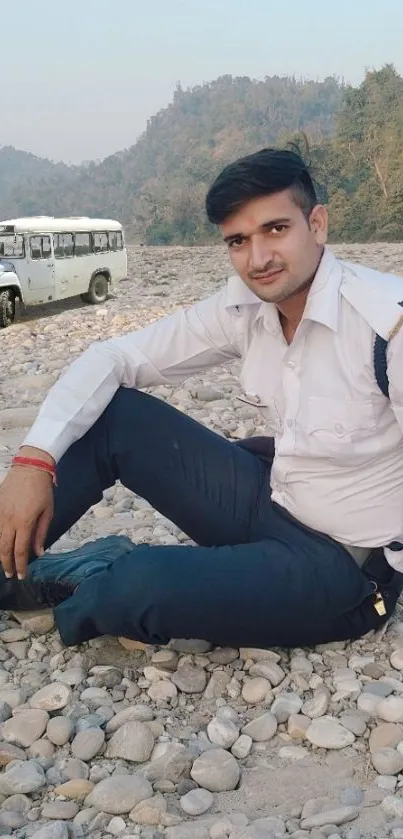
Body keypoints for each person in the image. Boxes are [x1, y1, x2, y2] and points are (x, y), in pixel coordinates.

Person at [1, 147, 403, 651]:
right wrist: (33, 460)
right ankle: (4, 566)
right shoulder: (245, 306)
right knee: (115, 416)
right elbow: (115, 356)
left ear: (316, 224)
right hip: (272, 501)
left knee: (137, 583)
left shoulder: (386, 324)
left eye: (276, 229)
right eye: (239, 240)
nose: (258, 258)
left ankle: (99, 574)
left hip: (342, 565)